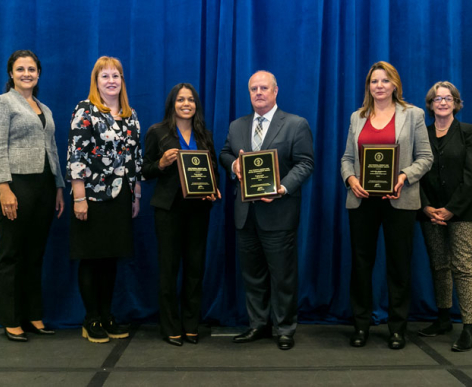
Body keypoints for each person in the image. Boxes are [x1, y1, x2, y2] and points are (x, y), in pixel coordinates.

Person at [340, 61, 433, 350]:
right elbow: (346, 159)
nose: (378, 86)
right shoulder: (358, 117)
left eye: (384, 80)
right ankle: (361, 325)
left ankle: (397, 328)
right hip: (362, 201)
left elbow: (426, 157)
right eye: (373, 81)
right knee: (361, 266)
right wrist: (351, 179)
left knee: (398, 267)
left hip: (400, 200)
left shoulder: (413, 114)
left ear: (395, 84)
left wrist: (404, 176)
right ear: (368, 86)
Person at [220, 70, 314, 350]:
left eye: (264, 88)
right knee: (252, 274)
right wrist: (233, 166)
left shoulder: (296, 124)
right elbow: (225, 153)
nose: (258, 93)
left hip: (279, 212)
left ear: (275, 91)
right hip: (245, 214)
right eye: (253, 89)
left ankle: (285, 328)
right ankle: (258, 324)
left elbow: (305, 163)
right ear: (249, 93)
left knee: (283, 275)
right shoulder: (237, 125)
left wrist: (282, 188)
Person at [0, 50, 65, 342]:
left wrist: (58, 187)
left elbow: (53, 150)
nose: (26, 73)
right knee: (12, 253)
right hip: (16, 185)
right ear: (11, 73)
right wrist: (3, 187)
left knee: (35, 254)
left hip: (44, 187)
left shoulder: (45, 108)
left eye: (31, 69)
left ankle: (33, 315)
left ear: (39, 73)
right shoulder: (1, 103)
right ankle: (10, 319)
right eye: (20, 69)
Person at [66, 56, 142, 343]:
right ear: (96, 81)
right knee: (92, 257)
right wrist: (79, 197)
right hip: (92, 197)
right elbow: (76, 154)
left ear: (122, 81)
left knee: (110, 258)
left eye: (116, 76)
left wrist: (135, 195)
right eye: (105, 76)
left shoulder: (130, 114)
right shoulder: (85, 110)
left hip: (121, 197)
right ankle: (91, 318)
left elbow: (136, 157)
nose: (111, 81)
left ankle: (107, 315)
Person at [142, 83, 220, 347]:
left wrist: (214, 190)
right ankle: (170, 326)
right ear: (172, 104)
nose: (186, 104)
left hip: (199, 211)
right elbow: (145, 170)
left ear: (196, 105)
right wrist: (161, 163)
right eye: (180, 99)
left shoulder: (205, 135)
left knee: (195, 269)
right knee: (168, 269)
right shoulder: (157, 132)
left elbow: (213, 173)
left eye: (191, 100)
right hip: (168, 210)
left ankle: (190, 324)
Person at [417, 81, 472, 352]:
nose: (442, 102)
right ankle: (443, 318)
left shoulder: (468, 132)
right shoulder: (423, 133)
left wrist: (452, 208)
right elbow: (416, 172)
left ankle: (469, 327)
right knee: (439, 265)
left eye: (448, 98)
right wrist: (425, 206)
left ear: (456, 103)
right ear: (430, 104)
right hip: (429, 211)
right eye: (437, 99)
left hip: (462, 212)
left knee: (462, 267)